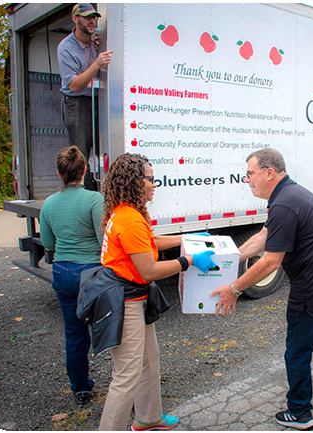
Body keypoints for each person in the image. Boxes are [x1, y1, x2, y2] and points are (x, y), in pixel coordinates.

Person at [210, 148, 313, 430]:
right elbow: (264, 235)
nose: (247, 180)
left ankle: (300, 412)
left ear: (269, 172)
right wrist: (228, 257)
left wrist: (234, 288)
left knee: (296, 353)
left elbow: (271, 261)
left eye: (250, 174)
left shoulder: (284, 203)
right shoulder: (291, 194)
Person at [97, 153, 216, 431]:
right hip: (124, 302)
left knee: (149, 360)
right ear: (135, 182)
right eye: (151, 179)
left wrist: (186, 239)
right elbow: (149, 270)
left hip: (132, 297)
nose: (154, 184)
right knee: (126, 376)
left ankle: (148, 418)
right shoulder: (130, 220)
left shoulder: (128, 212)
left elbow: (149, 243)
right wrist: (188, 261)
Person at [40, 146, 104, 405]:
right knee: (108, 329)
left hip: (62, 272)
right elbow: (104, 242)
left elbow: (47, 242)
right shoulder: (94, 200)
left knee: (74, 335)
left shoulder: (49, 203)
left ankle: (80, 388)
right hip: (90, 273)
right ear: (85, 170)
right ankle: (125, 384)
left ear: (59, 173)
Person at [57, 3, 114, 190]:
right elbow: (73, 85)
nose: (92, 21)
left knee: (103, 148)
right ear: (75, 19)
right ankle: (79, 194)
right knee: (79, 152)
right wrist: (97, 64)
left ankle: (101, 190)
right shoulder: (66, 48)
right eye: (87, 17)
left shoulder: (96, 40)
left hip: (98, 100)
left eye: (94, 17)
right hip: (77, 102)